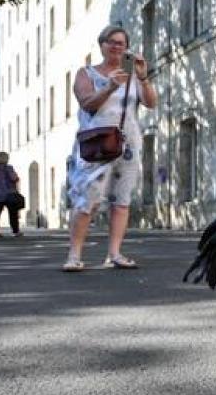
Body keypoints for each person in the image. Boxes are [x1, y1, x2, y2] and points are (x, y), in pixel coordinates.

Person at [63, 25, 157, 272]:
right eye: (111, 42)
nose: (117, 47)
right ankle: (74, 255)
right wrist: (110, 86)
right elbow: (88, 104)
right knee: (88, 199)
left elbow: (151, 103)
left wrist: (143, 77)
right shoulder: (87, 74)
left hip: (128, 143)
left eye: (121, 43)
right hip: (97, 143)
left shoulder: (133, 76)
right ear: (101, 44)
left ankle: (114, 253)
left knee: (122, 200)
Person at [0, 152, 22, 238]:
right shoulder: (8, 168)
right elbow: (14, 178)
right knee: (13, 213)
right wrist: (16, 178)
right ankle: (15, 231)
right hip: (9, 194)